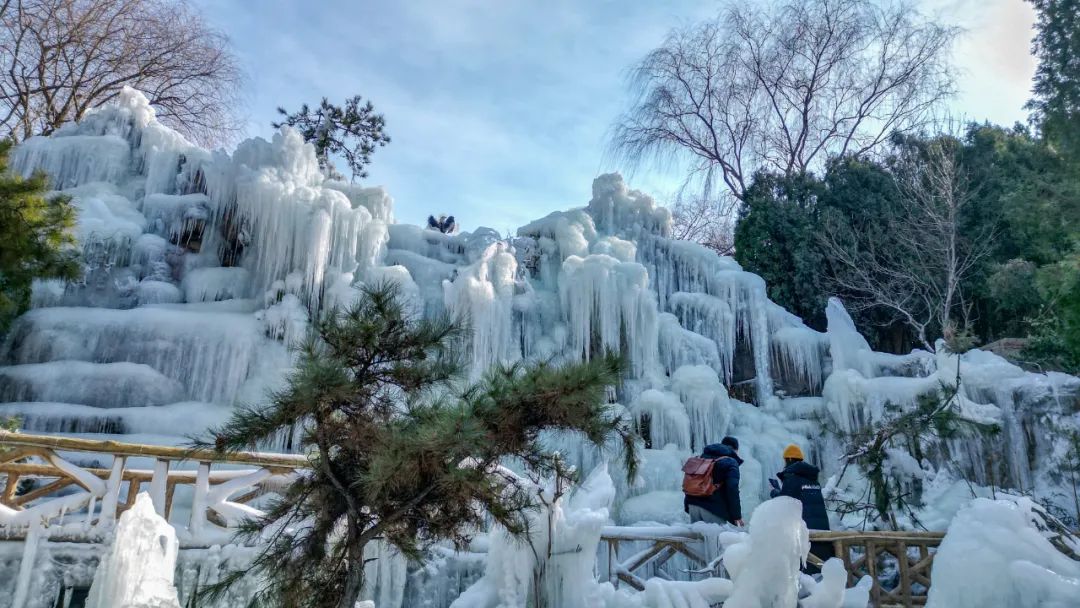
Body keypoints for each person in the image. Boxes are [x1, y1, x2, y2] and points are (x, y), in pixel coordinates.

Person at [770, 444, 833, 573]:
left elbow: (784, 502)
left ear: (788, 460)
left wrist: (774, 492)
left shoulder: (792, 479)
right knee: (820, 572)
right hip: (823, 534)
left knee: (805, 573)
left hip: (805, 536)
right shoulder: (814, 481)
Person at [683, 436, 744, 526]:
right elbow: (732, 488)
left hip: (693, 506)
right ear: (736, 450)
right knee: (716, 539)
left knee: (698, 539)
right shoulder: (731, 462)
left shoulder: (702, 457)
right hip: (713, 509)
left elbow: (692, 482)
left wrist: (688, 506)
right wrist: (737, 516)